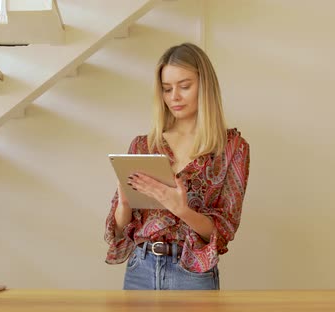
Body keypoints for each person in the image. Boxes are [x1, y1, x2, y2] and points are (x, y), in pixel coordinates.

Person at [104, 42, 250, 290]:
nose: (175, 97)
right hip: (141, 269)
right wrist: (125, 203)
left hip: (193, 273)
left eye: (184, 86)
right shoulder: (143, 146)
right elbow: (119, 230)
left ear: (205, 86)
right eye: (166, 89)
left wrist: (181, 210)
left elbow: (224, 230)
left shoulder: (233, 148)